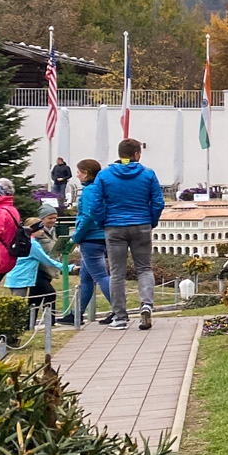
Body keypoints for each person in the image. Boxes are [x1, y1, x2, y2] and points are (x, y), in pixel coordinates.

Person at [89, 138, 165, 331]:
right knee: (144, 268)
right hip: (141, 224)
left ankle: (120, 317)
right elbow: (158, 202)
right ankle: (146, 305)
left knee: (116, 273)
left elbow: (95, 204)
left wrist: (103, 223)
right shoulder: (148, 174)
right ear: (137, 154)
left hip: (114, 226)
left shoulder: (104, 175)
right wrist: (151, 221)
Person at [60, 158, 111, 327]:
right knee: (86, 278)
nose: (77, 175)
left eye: (79, 172)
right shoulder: (100, 188)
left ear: (86, 173)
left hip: (90, 238)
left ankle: (119, 309)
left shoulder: (89, 191)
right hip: (100, 236)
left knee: (101, 276)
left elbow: (88, 216)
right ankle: (77, 313)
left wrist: (76, 236)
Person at [2, 214, 63, 324]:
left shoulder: (25, 241)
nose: (43, 232)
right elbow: (47, 260)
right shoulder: (33, 244)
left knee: (27, 301)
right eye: (40, 229)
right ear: (32, 230)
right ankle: (16, 325)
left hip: (21, 277)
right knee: (18, 305)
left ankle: (26, 324)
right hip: (21, 278)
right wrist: (68, 267)